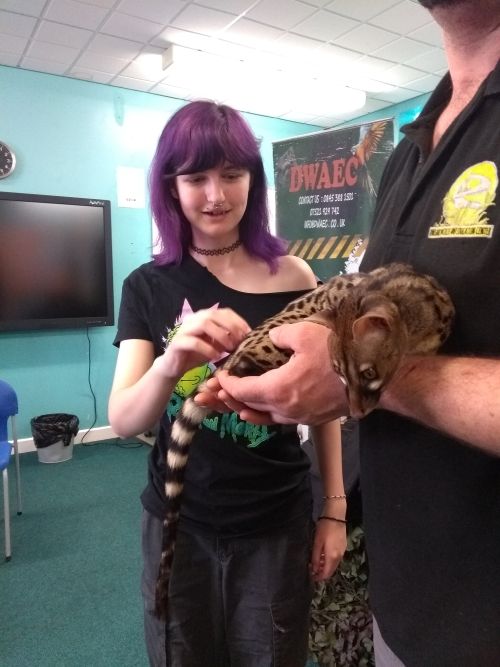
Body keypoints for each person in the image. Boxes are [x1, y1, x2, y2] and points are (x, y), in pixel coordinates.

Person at [198, 2, 500, 665]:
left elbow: (370, 364)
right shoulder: (412, 145)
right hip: (407, 604)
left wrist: (365, 377)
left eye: (231, 176)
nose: (214, 195)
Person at [108, 100, 347, 667]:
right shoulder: (147, 285)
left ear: (253, 181)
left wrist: (334, 509)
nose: (215, 195)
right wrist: (171, 360)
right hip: (178, 520)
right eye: (196, 178)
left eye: (232, 174)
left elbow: (324, 402)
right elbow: (123, 419)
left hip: (274, 520)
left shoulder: (293, 276)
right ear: (171, 187)